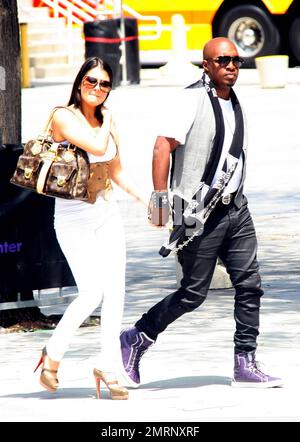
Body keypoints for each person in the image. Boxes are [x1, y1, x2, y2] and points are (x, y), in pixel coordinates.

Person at [120, 38, 283, 389]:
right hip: (195, 211)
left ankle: (245, 361)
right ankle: (138, 335)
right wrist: (161, 203)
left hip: (236, 208)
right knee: (193, 294)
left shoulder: (234, 101)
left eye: (236, 60)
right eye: (222, 60)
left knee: (250, 285)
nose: (231, 66)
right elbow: (162, 146)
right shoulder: (189, 99)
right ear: (206, 65)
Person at [34, 56, 146, 400]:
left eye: (104, 84)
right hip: (72, 217)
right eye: (92, 81)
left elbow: (116, 170)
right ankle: (52, 354)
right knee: (91, 292)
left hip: (106, 211)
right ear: (80, 82)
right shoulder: (62, 116)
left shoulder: (105, 122)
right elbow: (95, 147)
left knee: (116, 292)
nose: (97, 88)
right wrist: (108, 118)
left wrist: (150, 201)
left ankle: (107, 365)